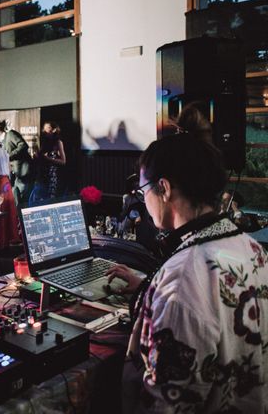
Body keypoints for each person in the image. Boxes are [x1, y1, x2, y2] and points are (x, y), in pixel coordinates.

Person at [106, 133, 268, 413]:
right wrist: (150, 288)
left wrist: (164, 293)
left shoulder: (181, 281)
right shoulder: (251, 248)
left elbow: (167, 403)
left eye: (143, 190)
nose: (143, 200)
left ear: (164, 188)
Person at [0, 120, 33, 205]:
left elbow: (23, 145)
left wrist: (9, 155)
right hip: (15, 173)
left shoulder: (10, 134)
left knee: (24, 197)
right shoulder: (1, 141)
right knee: (17, 198)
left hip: (23, 170)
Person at [33, 123, 66, 201]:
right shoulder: (44, 142)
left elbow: (63, 161)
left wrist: (48, 159)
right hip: (43, 175)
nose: (45, 130)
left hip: (53, 176)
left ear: (54, 129)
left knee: (51, 199)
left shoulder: (58, 142)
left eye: (48, 128)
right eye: (44, 129)